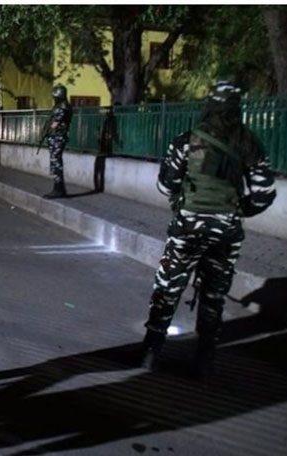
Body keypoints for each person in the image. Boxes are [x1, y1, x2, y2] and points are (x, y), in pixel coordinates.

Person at [139, 81, 277, 378]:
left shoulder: (187, 140)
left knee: (167, 288)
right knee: (214, 295)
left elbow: (165, 185)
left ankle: (150, 351)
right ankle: (204, 360)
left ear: (210, 104)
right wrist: (237, 211)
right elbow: (264, 195)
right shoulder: (250, 143)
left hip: (187, 228)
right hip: (226, 232)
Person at [40, 84, 73, 198]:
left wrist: (46, 130)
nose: (54, 99)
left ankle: (58, 189)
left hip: (58, 137)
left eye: (55, 97)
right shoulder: (62, 106)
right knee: (55, 162)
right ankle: (59, 188)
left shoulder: (62, 107)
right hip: (56, 137)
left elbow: (55, 123)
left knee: (56, 163)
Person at [94, 103, 119, 192]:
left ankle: (99, 187)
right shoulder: (107, 120)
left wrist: (108, 137)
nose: (106, 112)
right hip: (103, 145)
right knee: (99, 168)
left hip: (106, 146)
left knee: (99, 167)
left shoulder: (111, 120)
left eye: (108, 110)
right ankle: (98, 186)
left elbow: (110, 132)